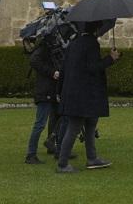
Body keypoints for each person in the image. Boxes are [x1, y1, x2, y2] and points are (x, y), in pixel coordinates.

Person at [56, 20, 120, 173]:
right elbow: (93, 68)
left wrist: (60, 91)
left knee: (91, 125)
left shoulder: (74, 43)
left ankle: (92, 158)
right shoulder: (91, 44)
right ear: (97, 28)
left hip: (75, 93)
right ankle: (62, 164)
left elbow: (64, 69)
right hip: (84, 94)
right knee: (74, 128)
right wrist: (110, 59)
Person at [24, 39, 61, 164]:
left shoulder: (52, 47)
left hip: (52, 90)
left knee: (58, 117)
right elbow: (34, 61)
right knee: (40, 124)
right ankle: (31, 154)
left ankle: (54, 146)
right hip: (45, 91)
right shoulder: (44, 47)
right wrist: (52, 72)